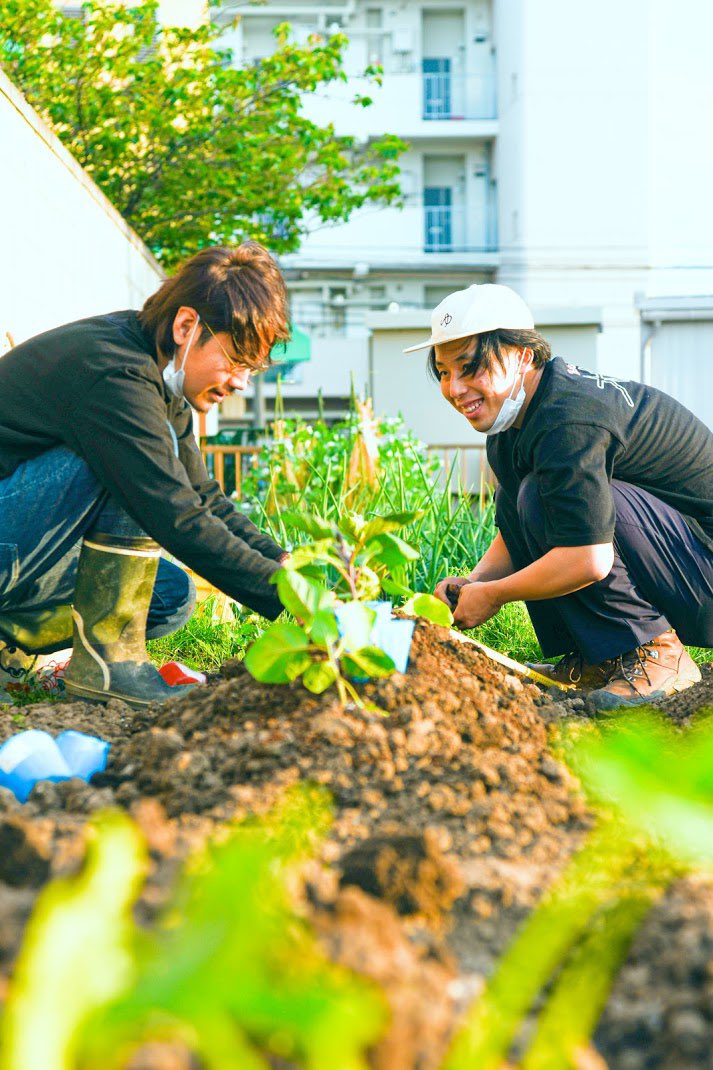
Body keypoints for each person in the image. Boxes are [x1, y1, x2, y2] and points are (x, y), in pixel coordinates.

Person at [0, 242, 290, 708]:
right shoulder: (114, 375)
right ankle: (107, 667)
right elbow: (176, 513)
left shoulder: (159, 383)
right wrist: (293, 603)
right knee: (126, 464)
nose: (240, 382)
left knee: (169, 596)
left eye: (250, 369)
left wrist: (283, 564)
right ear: (185, 326)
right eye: (235, 360)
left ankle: (8, 641)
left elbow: (205, 499)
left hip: (18, 546)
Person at [408, 284, 713, 708]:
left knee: (547, 500)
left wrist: (495, 595)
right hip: (683, 563)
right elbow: (517, 531)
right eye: (443, 372)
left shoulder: (567, 419)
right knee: (528, 498)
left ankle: (657, 654)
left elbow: (589, 558)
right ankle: (603, 657)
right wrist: (474, 583)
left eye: (470, 367)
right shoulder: (511, 426)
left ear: (523, 355)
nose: (455, 388)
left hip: (705, 572)